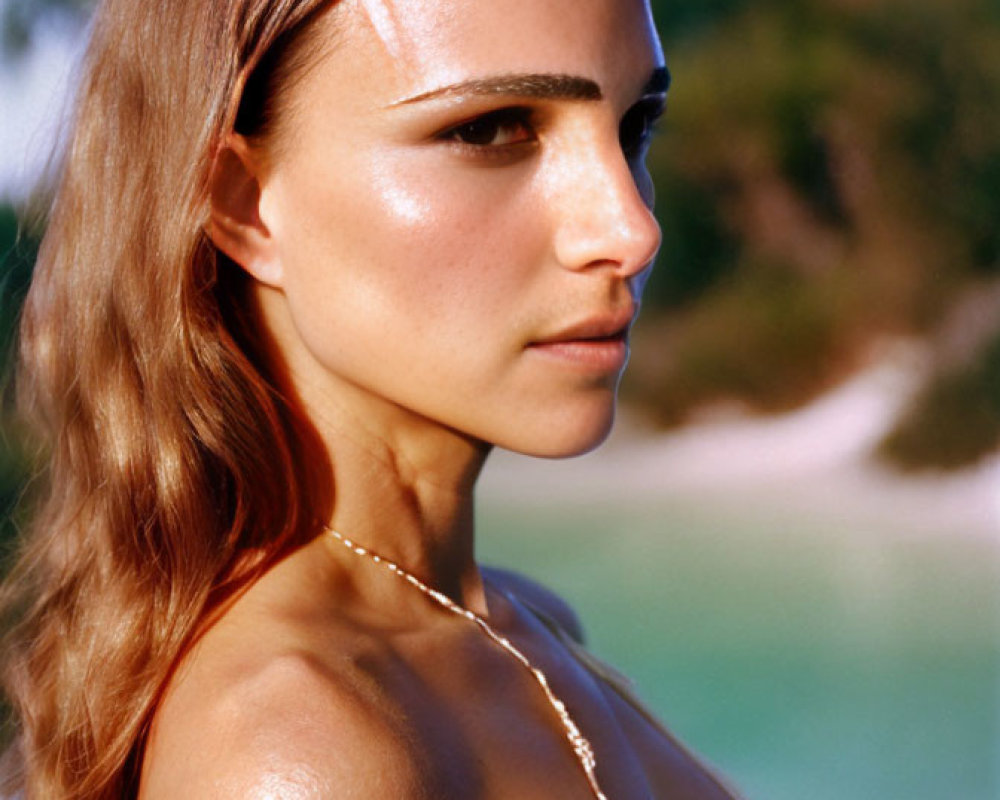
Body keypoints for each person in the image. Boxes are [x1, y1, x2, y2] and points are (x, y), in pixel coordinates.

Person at [0, 0, 742, 797]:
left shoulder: (518, 622)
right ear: (243, 203)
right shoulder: (297, 749)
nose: (630, 230)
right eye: (491, 131)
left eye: (633, 130)